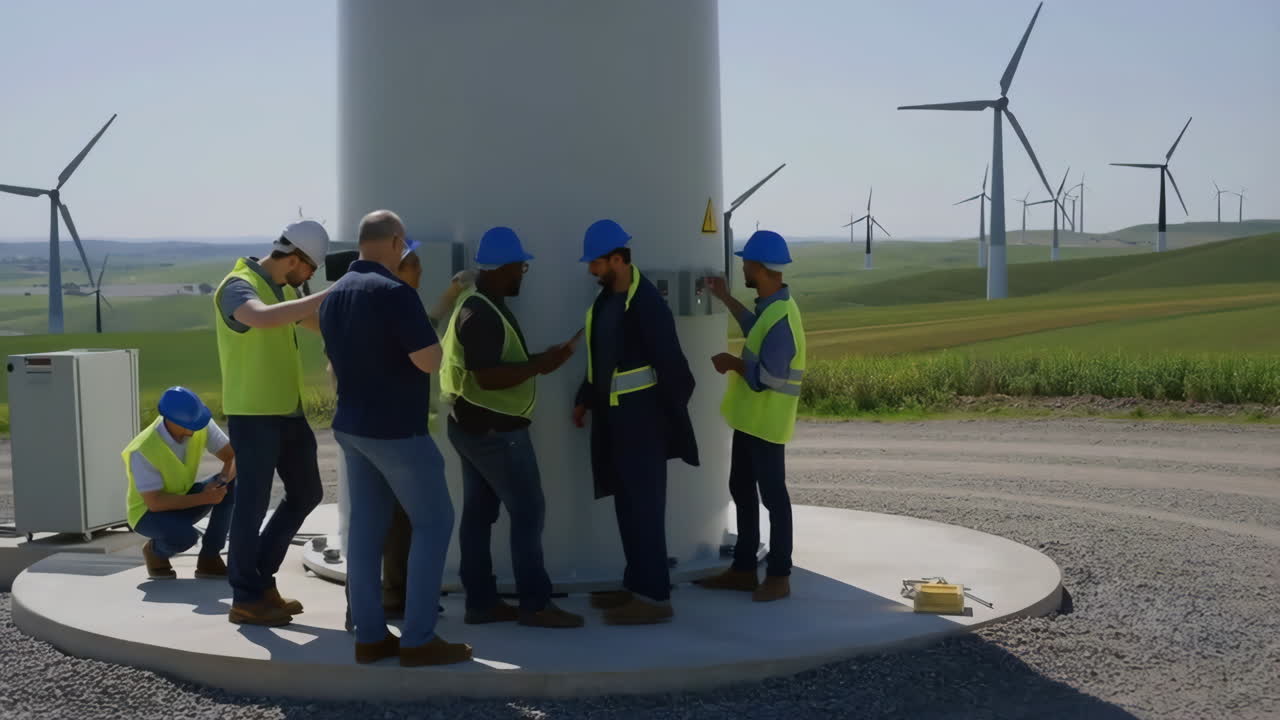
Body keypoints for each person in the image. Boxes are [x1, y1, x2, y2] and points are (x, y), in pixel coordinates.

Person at [320, 209, 471, 667]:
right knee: (434, 522)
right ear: (395, 240)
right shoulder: (395, 293)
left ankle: (370, 636)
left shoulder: (333, 296)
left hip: (351, 429)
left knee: (365, 533)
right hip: (397, 432)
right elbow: (428, 360)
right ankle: (419, 638)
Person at [440, 226, 583, 629]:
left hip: (474, 429)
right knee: (528, 511)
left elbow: (496, 364)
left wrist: (541, 358)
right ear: (503, 267)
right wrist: (541, 364)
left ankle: (482, 603)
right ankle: (535, 605)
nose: (523, 273)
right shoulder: (480, 313)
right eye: (521, 266)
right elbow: (487, 376)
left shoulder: (481, 303)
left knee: (479, 514)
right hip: (495, 435)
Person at [572, 219, 699, 625]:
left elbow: (677, 372)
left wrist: (664, 421)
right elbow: (601, 359)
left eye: (596, 263)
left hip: (643, 424)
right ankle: (635, 587)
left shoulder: (647, 304)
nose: (591, 270)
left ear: (617, 260)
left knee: (646, 509)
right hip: (615, 421)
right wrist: (585, 398)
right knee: (627, 507)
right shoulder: (607, 301)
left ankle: (656, 599)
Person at [214, 220, 331, 627]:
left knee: (307, 492)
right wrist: (330, 294)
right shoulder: (238, 285)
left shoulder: (282, 290)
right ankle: (246, 597)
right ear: (295, 259)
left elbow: (314, 322)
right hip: (254, 414)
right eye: (311, 269)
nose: (311, 277)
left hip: (288, 412)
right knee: (252, 502)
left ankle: (260, 578)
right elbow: (260, 318)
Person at [698, 230, 805, 603]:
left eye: (745, 263)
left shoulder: (781, 318)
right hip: (750, 422)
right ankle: (743, 570)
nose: (742, 267)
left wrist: (732, 363)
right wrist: (726, 297)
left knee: (774, 498)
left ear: (758, 267)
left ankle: (779, 575)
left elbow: (770, 378)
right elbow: (753, 328)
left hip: (767, 424)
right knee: (742, 490)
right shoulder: (771, 308)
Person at [123, 387, 236, 581]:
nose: (197, 428)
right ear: (170, 421)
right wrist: (204, 497)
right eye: (190, 425)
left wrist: (222, 481)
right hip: (148, 515)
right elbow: (155, 503)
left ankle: (210, 558)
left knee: (233, 486)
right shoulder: (143, 449)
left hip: (184, 497)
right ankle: (154, 551)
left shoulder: (199, 423)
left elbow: (233, 456)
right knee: (185, 537)